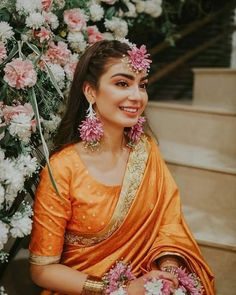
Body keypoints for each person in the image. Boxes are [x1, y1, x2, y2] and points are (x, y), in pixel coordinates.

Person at [29, 40, 215, 295]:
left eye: (142, 85)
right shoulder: (63, 169)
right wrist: (119, 291)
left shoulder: (146, 152)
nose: (137, 96)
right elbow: (42, 270)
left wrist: (167, 276)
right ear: (90, 92)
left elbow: (169, 227)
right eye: (122, 83)